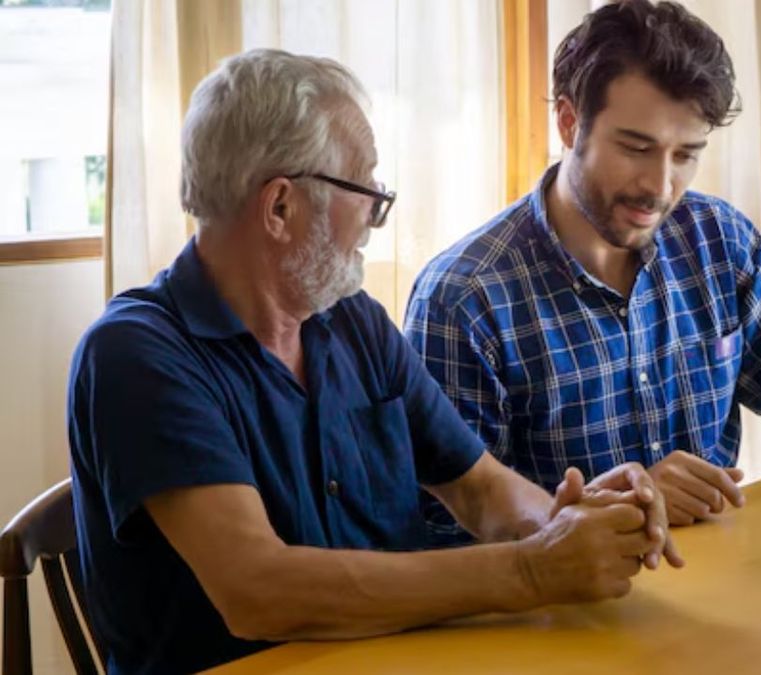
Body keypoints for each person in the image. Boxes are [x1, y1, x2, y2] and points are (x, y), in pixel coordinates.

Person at [67, 49, 679, 675]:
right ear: (280, 207)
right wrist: (530, 571)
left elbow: (479, 488)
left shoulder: (351, 319)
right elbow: (259, 592)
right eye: (366, 190)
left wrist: (564, 524)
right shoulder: (136, 354)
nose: (374, 217)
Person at [405, 0, 761, 545]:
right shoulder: (464, 298)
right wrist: (622, 507)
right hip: (563, 607)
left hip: (718, 584)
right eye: (636, 148)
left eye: (685, 155)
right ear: (569, 121)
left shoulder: (717, 240)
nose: (660, 188)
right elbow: (447, 529)